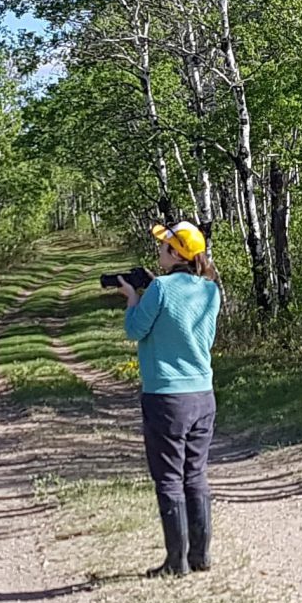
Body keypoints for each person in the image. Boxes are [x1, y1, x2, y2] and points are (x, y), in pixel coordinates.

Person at [115, 219, 223, 578]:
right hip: (202, 395)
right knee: (196, 474)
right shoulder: (211, 290)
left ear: (176, 253)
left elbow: (135, 329)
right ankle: (200, 556)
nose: (159, 250)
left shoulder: (159, 288)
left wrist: (133, 299)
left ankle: (176, 562)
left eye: (164, 246)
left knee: (169, 479)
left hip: (166, 396)